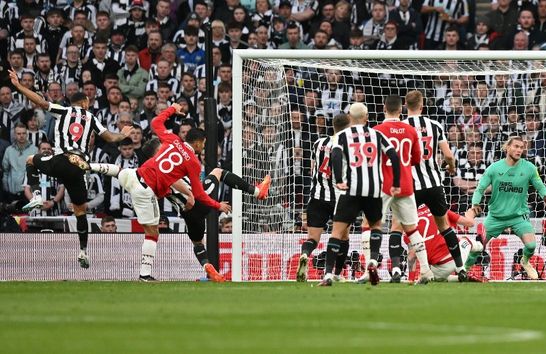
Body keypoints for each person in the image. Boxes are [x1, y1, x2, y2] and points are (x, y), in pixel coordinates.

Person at [88, 103, 232, 281]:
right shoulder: (191, 162)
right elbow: (198, 194)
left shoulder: (172, 141)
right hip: (147, 191)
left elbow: (156, 123)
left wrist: (171, 109)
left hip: (135, 175)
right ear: (198, 143)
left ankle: (87, 165)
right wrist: (218, 205)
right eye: (203, 143)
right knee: (152, 233)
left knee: (118, 171)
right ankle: (145, 275)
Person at [8, 69, 132, 269]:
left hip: (61, 160)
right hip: (78, 167)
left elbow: (39, 101)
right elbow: (110, 137)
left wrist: (19, 86)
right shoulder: (91, 118)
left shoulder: (63, 111)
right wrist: (123, 134)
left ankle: (37, 195)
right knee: (80, 211)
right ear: (85, 103)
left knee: (31, 159)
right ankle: (83, 251)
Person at [135, 137, 270, 282]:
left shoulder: (151, 174)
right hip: (198, 200)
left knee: (198, 243)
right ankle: (257, 191)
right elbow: (176, 181)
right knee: (218, 172)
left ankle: (207, 267)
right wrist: (195, 195)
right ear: (158, 150)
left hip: (187, 213)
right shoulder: (165, 166)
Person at [319, 103, 401, 286]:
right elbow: (394, 156)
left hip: (352, 190)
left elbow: (336, 157)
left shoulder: (342, 136)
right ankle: (372, 259)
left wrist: (339, 179)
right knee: (376, 227)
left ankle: (327, 274)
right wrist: (395, 183)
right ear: (366, 117)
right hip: (373, 190)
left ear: (349, 117)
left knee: (337, 232)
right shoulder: (377, 134)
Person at [360, 95, 434, 284]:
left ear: (384, 108)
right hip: (406, 185)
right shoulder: (410, 130)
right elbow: (417, 160)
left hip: (384, 185)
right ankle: (425, 271)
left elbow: (371, 160)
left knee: (369, 225)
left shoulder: (376, 131)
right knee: (411, 229)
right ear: (401, 110)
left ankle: (370, 267)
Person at [467, 136, 546, 280]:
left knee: (531, 246)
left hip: (519, 216)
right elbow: (479, 189)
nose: (519, 150)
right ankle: (464, 269)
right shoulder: (494, 168)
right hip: (495, 217)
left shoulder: (529, 168)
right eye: (516, 146)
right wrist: (475, 204)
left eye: (521, 147)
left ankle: (525, 261)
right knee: (478, 246)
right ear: (507, 148)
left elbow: (539, 185)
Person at [402, 90, 468, 281]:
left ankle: (414, 271)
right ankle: (461, 268)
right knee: (444, 227)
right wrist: (451, 168)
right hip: (433, 184)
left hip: (411, 186)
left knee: (405, 229)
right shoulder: (435, 125)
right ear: (422, 106)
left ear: (406, 106)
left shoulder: (402, 126)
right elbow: (448, 156)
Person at [296, 114, 351, 282]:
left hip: (317, 197)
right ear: (348, 127)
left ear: (332, 126)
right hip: (339, 198)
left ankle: (305, 254)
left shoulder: (318, 143)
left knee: (312, 238)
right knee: (343, 237)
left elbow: (313, 168)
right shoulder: (347, 146)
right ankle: (337, 274)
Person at [405, 205, 484, 282]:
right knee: (465, 241)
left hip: (439, 268)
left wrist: (410, 279)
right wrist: (470, 214)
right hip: (456, 258)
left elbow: (411, 256)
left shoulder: (409, 225)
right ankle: (480, 245)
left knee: (437, 278)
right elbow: (470, 223)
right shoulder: (439, 209)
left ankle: (460, 278)